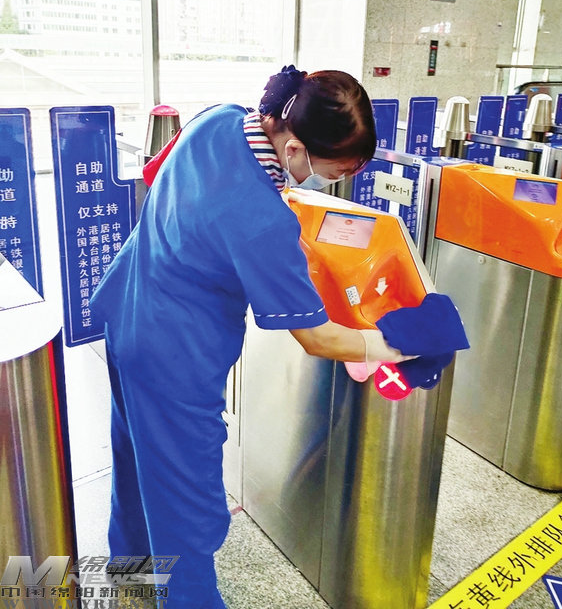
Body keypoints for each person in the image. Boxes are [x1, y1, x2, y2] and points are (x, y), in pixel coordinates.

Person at [90, 66, 426, 608]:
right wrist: (394, 346)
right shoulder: (264, 222)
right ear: (294, 148)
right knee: (188, 503)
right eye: (335, 171)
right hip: (176, 353)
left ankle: (129, 567)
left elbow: (158, 176)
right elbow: (317, 337)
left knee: (136, 459)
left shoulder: (219, 119)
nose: (334, 181)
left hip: (126, 310)